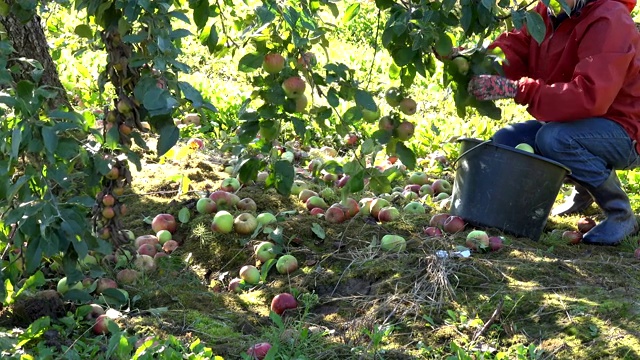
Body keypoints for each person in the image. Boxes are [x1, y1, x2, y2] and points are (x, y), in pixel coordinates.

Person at [466, 0, 640, 245]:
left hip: (627, 130)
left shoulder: (609, 19)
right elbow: (514, 50)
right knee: (509, 140)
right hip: (581, 124)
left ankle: (621, 213)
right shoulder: (546, 12)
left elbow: (590, 97)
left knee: (555, 140)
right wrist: (473, 61)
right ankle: (583, 193)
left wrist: (520, 90)